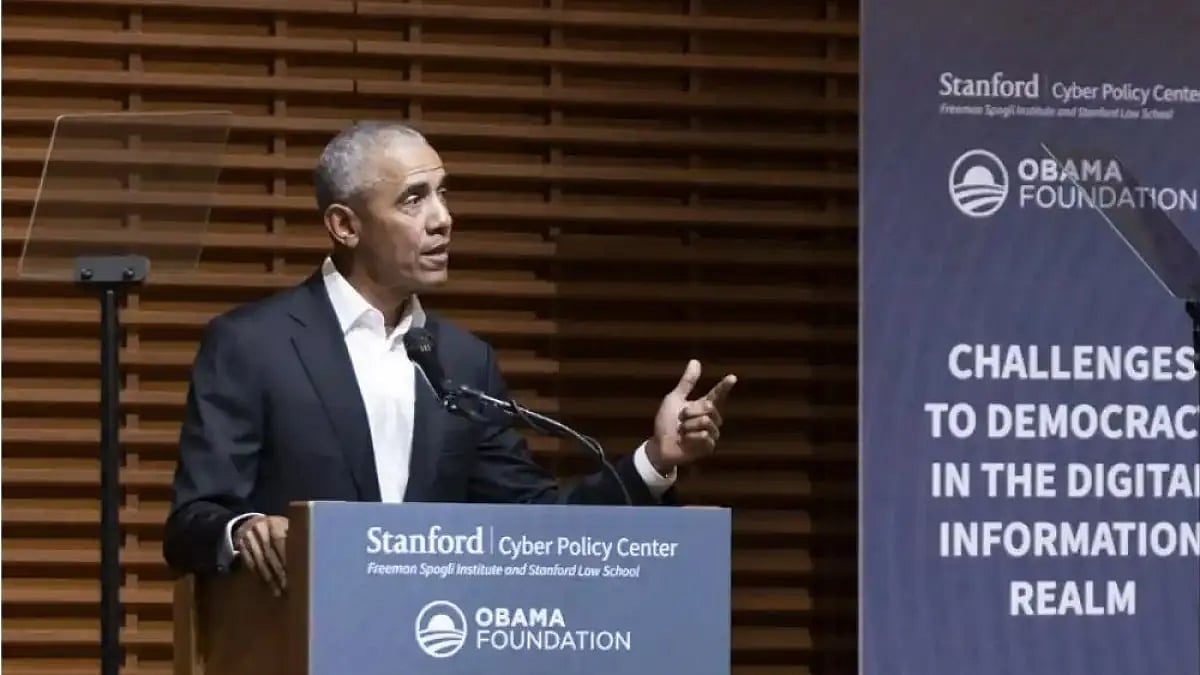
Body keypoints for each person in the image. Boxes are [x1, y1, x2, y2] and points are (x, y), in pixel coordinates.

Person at [162, 122, 737, 594]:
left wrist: (655, 461)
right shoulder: (253, 343)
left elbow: (535, 521)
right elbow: (192, 521)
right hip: (291, 641)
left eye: (443, 192)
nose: (443, 218)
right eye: (414, 199)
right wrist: (246, 529)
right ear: (344, 225)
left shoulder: (462, 362)